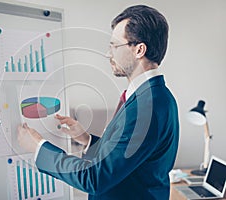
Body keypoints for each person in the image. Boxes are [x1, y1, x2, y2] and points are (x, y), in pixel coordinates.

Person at [17, 5, 179, 200]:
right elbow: (122, 160)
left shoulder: (147, 107)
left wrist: (38, 148)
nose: (108, 54)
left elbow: (95, 177)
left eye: (114, 46)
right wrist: (87, 140)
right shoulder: (152, 97)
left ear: (139, 50)